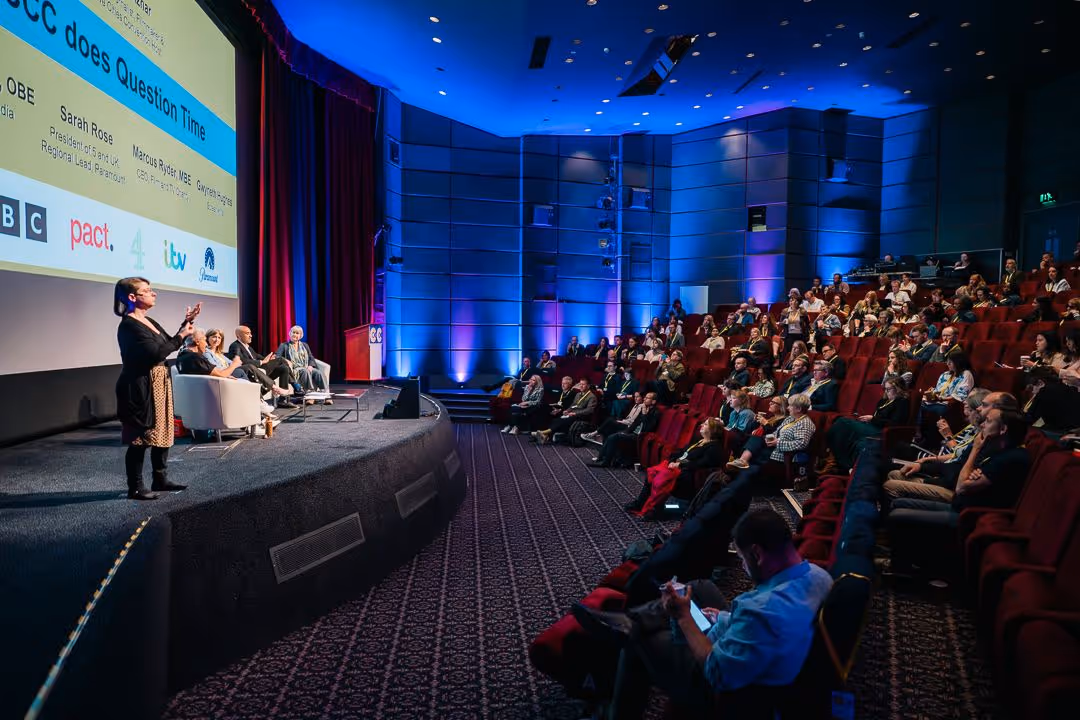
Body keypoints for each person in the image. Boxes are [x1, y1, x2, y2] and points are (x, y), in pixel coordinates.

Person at [572, 508, 833, 719]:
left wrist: (685, 619)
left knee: (640, 642)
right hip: (757, 649)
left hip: (733, 694)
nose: (743, 566)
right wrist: (723, 618)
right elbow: (765, 628)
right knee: (700, 588)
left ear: (757, 553)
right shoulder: (819, 576)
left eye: (743, 559)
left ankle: (617, 708)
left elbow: (717, 671)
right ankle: (632, 621)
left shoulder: (762, 611)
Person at [886, 409, 1030, 574]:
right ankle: (902, 560)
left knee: (897, 513)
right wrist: (971, 473)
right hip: (959, 504)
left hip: (968, 515)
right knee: (898, 503)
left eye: (988, 421)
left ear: (1003, 429)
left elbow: (961, 486)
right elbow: (964, 476)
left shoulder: (1012, 457)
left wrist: (975, 450)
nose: (982, 424)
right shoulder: (996, 447)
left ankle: (909, 570)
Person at [114, 278, 199, 501]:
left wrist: (185, 325)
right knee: (141, 437)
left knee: (162, 430)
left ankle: (160, 479)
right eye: (147, 291)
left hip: (159, 381)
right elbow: (156, 354)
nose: (154, 294)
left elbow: (167, 343)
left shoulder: (148, 320)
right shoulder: (129, 325)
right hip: (141, 386)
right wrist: (182, 336)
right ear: (132, 298)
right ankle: (135, 487)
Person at [625, 418, 726, 518]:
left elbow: (700, 464)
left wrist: (680, 465)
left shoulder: (714, 448)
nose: (702, 425)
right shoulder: (700, 440)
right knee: (652, 473)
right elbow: (682, 452)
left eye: (706, 424)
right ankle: (641, 503)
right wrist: (672, 460)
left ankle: (655, 509)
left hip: (688, 475)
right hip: (678, 467)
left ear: (713, 430)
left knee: (661, 480)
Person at [725, 394, 816, 489]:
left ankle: (737, 477)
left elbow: (801, 443)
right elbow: (776, 432)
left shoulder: (805, 423)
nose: (788, 408)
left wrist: (777, 442)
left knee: (751, 465)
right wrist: (769, 438)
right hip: (772, 448)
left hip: (782, 454)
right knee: (756, 439)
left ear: (799, 409)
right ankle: (740, 466)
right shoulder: (791, 419)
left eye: (790, 406)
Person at [825, 377, 909, 470]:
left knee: (843, 422)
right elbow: (876, 417)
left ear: (898, 389)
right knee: (845, 432)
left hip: (881, 431)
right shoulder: (883, 401)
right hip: (871, 426)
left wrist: (873, 419)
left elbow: (895, 423)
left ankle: (832, 455)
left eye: (889, 389)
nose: (886, 391)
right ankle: (837, 461)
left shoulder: (902, 402)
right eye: (885, 389)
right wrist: (870, 419)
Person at [206, 328, 292, 404]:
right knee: (250, 367)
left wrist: (267, 360)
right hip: (226, 374)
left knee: (282, 367)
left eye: (219, 337)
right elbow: (217, 368)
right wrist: (233, 366)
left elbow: (237, 362)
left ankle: (269, 400)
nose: (217, 339)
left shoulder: (220, 354)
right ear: (208, 338)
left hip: (234, 370)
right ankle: (276, 387)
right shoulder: (207, 352)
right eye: (214, 337)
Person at [228, 326, 298, 407]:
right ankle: (295, 385)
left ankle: (283, 400)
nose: (250, 335)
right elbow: (241, 361)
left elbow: (257, 356)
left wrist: (269, 359)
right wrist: (262, 362)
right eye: (247, 333)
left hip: (259, 371)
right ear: (238, 336)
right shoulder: (235, 346)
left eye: (250, 333)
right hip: (251, 372)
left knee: (283, 368)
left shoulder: (248, 347)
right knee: (281, 360)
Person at [915, 353, 974, 443]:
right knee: (917, 403)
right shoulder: (945, 374)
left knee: (923, 407)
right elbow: (938, 390)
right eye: (947, 361)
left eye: (951, 362)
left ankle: (920, 435)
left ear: (958, 363)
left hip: (951, 404)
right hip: (937, 401)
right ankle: (918, 433)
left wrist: (941, 399)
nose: (948, 364)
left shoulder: (966, 374)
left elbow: (960, 396)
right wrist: (930, 394)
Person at [589, 392, 660, 467]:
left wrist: (644, 414)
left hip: (639, 437)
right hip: (633, 433)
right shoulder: (645, 409)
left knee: (614, 437)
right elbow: (635, 424)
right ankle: (600, 458)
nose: (644, 399)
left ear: (653, 401)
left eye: (647, 398)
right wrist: (626, 432)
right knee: (611, 434)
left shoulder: (656, 412)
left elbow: (648, 428)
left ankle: (606, 462)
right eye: (645, 397)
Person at [534, 378, 596, 444]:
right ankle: (546, 436)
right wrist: (567, 410)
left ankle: (544, 432)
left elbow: (589, 410)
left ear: (588, 386)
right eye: (580, 384)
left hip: (581, 416)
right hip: (572, 413)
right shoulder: (578, 394)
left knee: (564, 420)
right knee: (557, 420)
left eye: (583, 384)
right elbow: (573, 405)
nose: (581, 386)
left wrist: (575, 413)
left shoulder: (592, 397)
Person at [276, 325, 330, 402]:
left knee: (318, 373)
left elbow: (311, 357)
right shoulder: (284, 345)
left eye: (297, 333)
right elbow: (277, 357)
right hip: (294, 369)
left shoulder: (305, 345)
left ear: (300, 335)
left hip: (305, 367)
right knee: (305, 371)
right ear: (290, 333)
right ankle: (310, 396)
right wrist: (285, 360)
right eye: (293, 332)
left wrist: (310, 365)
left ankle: (326, 396)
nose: (295, 334)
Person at [1022, 367, 1080, 433]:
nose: (1032, 392)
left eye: (1031, 388)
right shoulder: (1063, 386)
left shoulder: (1044, 392)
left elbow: (1030, 418)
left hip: (1066, 431)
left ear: (1040, 383)